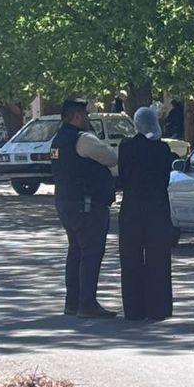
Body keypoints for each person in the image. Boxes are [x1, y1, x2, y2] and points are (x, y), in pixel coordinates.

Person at [51, 98, 118, 318]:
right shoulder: (84, 139)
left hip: (65, 201)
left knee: (76, 251)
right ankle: (87, 303)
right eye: (86, 115)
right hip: (87, 204)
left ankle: (73, 302)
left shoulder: (58, 140)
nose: (88, 119)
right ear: (77, 117)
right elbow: (111, 158)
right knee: (91, 252)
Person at [117, 107, 178, 321]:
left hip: (131, 207)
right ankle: (158, 307)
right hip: (157, 208)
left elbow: (122, 176)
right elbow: (165, 178)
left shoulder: (126, 147)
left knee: (131, 259)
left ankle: (134, 309)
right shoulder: (162, 149)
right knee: (158, 259)